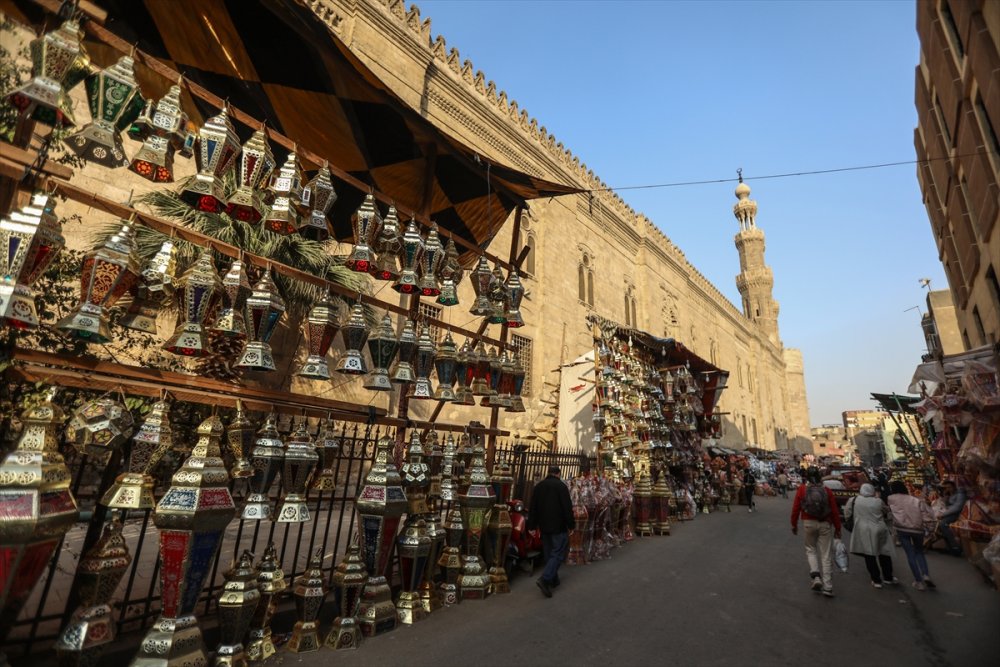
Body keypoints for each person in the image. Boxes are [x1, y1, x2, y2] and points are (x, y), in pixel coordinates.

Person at [791, 466, 842, 597]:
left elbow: (796, 508)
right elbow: (835, 511)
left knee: (811, 550)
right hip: (825, 524)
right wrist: (838, 528)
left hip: (808, 523)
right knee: (826, 555)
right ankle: (828, 587)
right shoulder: (826, 490)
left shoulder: (802, 489)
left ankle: (816, 577)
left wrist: (794, 524)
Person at [528, 465, 574, 598]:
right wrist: (571, 524)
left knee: (549, 553)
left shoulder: (539, 487)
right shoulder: (561, 486)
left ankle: (553, 579)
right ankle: (545, 578)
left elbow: (533, 508)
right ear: (558, 474)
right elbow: (567, 507)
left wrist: (532, 525)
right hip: (558, 526)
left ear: (548, 473)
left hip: (544, 526)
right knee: (558, 552)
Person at [845, 483, 897, 589]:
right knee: (884, 553)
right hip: (880, 528)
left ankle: (876, 579)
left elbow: (847, 513)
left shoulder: (854, 500)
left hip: (863, 529)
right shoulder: (878, 501)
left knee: (869, 554)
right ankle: (888, 577)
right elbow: (886, 511)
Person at [887, 480, 936, 591]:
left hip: (902, 529)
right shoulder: (915, 500)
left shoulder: (891, 498)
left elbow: (889, 510)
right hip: (918, 529)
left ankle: (918, 581)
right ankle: (925, 574)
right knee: (919, 552)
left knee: (910, 554)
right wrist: (931, 530)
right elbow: (925, 516)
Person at [935, 480, 966, 556]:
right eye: (946, 487)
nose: (948, 489)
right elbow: (948, 505)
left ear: (954, 486)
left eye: (949, 487)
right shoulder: (950, 494)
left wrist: (943, 514)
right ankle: (949, 546)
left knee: (943, 524)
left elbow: (957, 507)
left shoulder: (960, 494)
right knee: (939, 524)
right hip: (949, 512)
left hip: (957, 513)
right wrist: (945, 498)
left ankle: (955, 546)